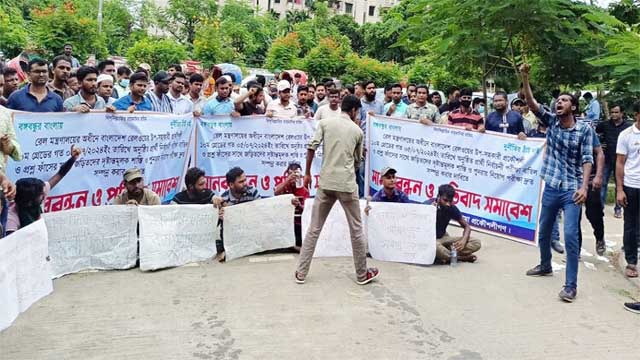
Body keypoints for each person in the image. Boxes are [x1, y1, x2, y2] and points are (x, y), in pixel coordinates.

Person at [521, 63, 595, 302]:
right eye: (557, 101)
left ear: (573, 107)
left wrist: (584, 186)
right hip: (552, 186)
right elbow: (532, 104)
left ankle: (570, 286)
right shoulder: (551, 121)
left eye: (564, 100)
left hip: (572, 189)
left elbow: (587, 159)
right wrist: (525, 78)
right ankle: (545, 265)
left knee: (571, 235)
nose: (558, 103)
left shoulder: (584, 130)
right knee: (543, 232)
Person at [294, 95, 379, 286]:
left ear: (342, 107)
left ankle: (301, 272)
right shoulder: (357, 131)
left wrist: (307, 173)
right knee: (356, 230)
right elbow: (357, 162)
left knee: (314, 228)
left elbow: (311, 148)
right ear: (355, 110)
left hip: (326, 183)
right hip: (347, 185)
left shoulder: (325, 123)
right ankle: (361, 274)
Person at [6, 145, 81, 234]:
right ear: (29, 202)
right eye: (41, 195)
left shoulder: (39, 192)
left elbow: (60, 174)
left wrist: (73, 159)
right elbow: (11, 243)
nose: (44, 195)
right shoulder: (11, 218)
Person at [215, 167, 262, 261]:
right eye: (241, 182)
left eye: (245, 180)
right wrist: (220, 216)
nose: (245, 183)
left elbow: (261, 211)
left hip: (250, 231)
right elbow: (218, 223)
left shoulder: (253, 192)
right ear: (231, 185)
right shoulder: (223, 198)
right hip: (234, 234)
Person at [616, 101, 640, 280]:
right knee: (630, 225)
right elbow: (620, 163)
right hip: (631, 186)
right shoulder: (626, 135)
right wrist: (620, 189)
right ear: (637, 115)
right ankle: (631, 261)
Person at [430, 184, 481, 264]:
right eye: (445, 200)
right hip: (430, 240)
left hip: (443, 238)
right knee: (434, 247)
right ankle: (461, 258)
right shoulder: (427, 206)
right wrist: (430, 211)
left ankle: (444, 255)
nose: (448, 204)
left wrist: (463, 241)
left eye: (450, 201)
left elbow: (467, 227)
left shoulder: (451, 208)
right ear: (438, 196)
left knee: (476, 242)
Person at [596, 104, 631, 218]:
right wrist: (600, 145)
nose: (614, 115)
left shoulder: (627, 127)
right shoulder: (604, 125)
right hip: (606, 159)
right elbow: (594, 133)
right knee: (603, 184)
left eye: (616, 112)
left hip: (621, 161)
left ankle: (618, 208)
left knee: (619, 185)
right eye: (612, 112)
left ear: (622, 113)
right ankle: (600, 208)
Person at [274, 162, 309, 251]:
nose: (293, 177)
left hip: (298, 224)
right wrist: (287, 180)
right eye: (290, 174)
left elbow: (306, 211)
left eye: (296, 175)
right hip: (284, 223)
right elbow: (276, 192)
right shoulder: (284, 186)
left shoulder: (304, 190)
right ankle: (293, 247)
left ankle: (293, 247)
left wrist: (298, 205)